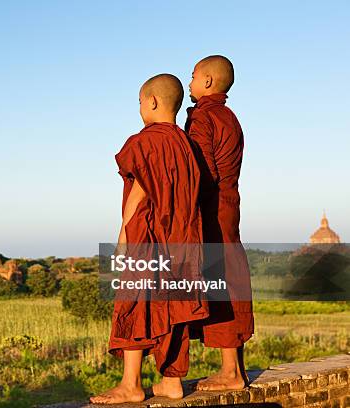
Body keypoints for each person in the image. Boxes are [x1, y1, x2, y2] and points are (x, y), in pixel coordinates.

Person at [90, 74, 208, 404]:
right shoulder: (186, 145)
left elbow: (142, 187)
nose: (140, 108)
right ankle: (171, 381)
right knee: (174, 305)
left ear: (152, 101)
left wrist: (124, 230)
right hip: (184, 240)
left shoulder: (146, 141)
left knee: (134, 302)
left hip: (149, 235)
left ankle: (130, 383)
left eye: (140, 101)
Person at [185, 55, 254, 391]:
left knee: (219, 281)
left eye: (193, 75)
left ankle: (230, 373)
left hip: (211, 207)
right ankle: (235, 368)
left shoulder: (204, 117)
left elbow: (201, 172)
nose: (189, 81)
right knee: (231, 276)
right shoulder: (229, 116)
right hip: (230, 203)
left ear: (208, 81)